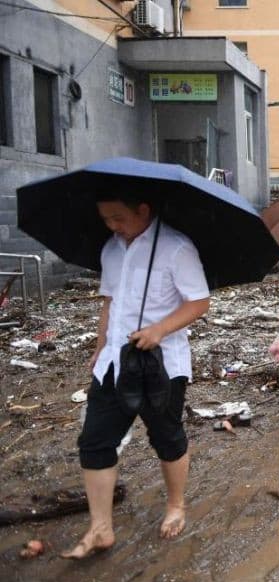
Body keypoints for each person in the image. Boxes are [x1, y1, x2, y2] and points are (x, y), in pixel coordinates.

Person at [63, 196, 210, 559]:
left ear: (143, 210)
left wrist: (159, 329)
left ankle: (176, 505)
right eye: (106, 219)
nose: (113, 226)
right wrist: (101, 346)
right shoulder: (111, 250)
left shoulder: (177, 248)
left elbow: (199, 302)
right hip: (114, 362)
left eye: (119, 217)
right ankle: (100, 528)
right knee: (95, 441)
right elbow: (110, 302)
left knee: (167, 437)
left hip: (161, 365)